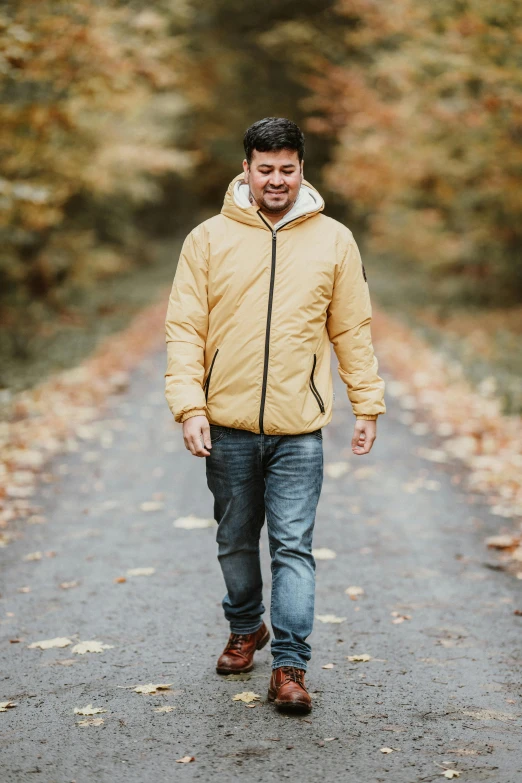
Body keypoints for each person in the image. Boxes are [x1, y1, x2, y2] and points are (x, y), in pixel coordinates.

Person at [164, 117, 386, 714]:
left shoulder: (335, 240)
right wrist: (189, 406)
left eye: (287, 169)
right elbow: (185, 329)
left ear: (301, 169)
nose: (277, 180)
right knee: (235, 539)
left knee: (293, 545)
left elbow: (351, 330)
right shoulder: (207, 240)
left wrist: (366, 402)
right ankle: (246, 627)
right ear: (247, 169)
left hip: (299, 431)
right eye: (266, 169)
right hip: (228, 424)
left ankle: (290, 666)